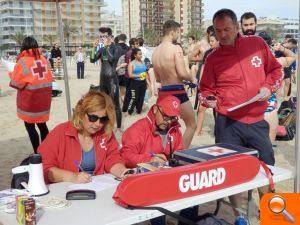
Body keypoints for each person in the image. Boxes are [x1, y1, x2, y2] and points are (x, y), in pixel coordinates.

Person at [199, 8, 283, 219]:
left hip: (256, 121)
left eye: (227, 29)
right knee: (232, 173)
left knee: (267, 170)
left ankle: (270, 216)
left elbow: (276, 70)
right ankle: (239, 217)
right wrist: (208, 100)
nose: (223, 35)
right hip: (228, 123)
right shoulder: (212, 58)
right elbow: (204, 90)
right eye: (218, 31)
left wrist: (268, 87)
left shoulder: (256, 44)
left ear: (237, 27)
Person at [121, 95, 198, 225]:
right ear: (156, 109)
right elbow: (125, 156)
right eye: (166, 116)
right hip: (145, 180)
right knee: (158, 203)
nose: (168, 121)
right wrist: (150, 159)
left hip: (168, 177)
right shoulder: (137, 130)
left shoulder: (174, 130)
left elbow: (179, 153)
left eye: (172, 118)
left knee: (194, 196)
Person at [38, 91, 130, 184]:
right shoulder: (60, 133)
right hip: (65, 188)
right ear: (81, 113)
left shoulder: (105, 133)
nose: (98, 124)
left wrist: (123, 171)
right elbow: (44, 168)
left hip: (96, 187)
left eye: (103, 119)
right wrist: (72, 177)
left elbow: (113, 158)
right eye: (93, 118)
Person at [152, 20, 197, 148]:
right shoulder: (175, 48)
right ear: (172, 31)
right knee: (191, 125)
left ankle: (168, 154)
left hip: (163, 92)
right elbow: (182, 73)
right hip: (177, 91)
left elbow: (158, 78)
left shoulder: (155, 52)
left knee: (165, 128)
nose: (179, 35)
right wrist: (192, 77)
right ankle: (180, 155)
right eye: (178, 32)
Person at [9, 36, 52, 153]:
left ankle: (37, 152)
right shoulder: (44, 59)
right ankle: (46, 151)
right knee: (42, 126)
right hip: (44, 101)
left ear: (24, 46)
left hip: (30, 101)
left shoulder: (22, 61)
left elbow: (16, 83)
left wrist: (11, 74)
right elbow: (49, 78)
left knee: (30, 126)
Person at [90, 27, 123, 133]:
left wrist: (107, 46)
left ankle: (118, 127)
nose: (102, 38)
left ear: (109, 37)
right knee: (103, 103)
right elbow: (92, 59)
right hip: (103, 79)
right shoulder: (102, 49)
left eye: (104, 36)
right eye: (101, 37)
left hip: (112, 79)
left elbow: (112, 59)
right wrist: (93, 48)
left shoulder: (115, 47)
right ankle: (106, 124)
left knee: (115, 104)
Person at [195, 32, 219, 136]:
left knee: (217, 109)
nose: (210, 43)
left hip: (219, 85)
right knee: (202, 107)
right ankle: (198, 131)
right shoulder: (208, 53)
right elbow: (203, 68)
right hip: (208, 85)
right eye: (209, 41)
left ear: (218, 41)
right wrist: (200, 83)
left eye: (212, 41)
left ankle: (218, 131)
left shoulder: (223, 52)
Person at [122, 38, 139, 112]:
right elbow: (130, 65)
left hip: (129, 75)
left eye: (138, 43)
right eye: (136, 43)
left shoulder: (130, 52)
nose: (138, 45)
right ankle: (128, 109)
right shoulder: (131, 53)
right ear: (132, 45)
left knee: (129, 93)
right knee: (131, 94)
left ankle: (126, 108)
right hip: (130, 76)